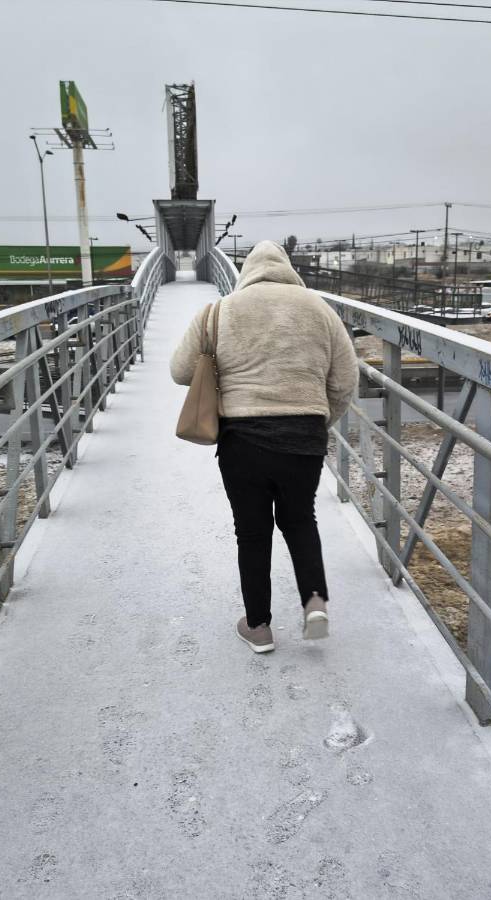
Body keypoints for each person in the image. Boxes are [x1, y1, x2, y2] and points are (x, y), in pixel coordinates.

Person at [171, 241, 359, 653]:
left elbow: (180, 370)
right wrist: (319, 420)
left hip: (242, 443)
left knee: (252, 534)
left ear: (246, 272)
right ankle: (314, 604)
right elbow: (346, 379)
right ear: (288, 269)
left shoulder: (219, 311)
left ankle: (258, 627)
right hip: (304, 438)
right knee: (300, 521)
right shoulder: (319, 309)